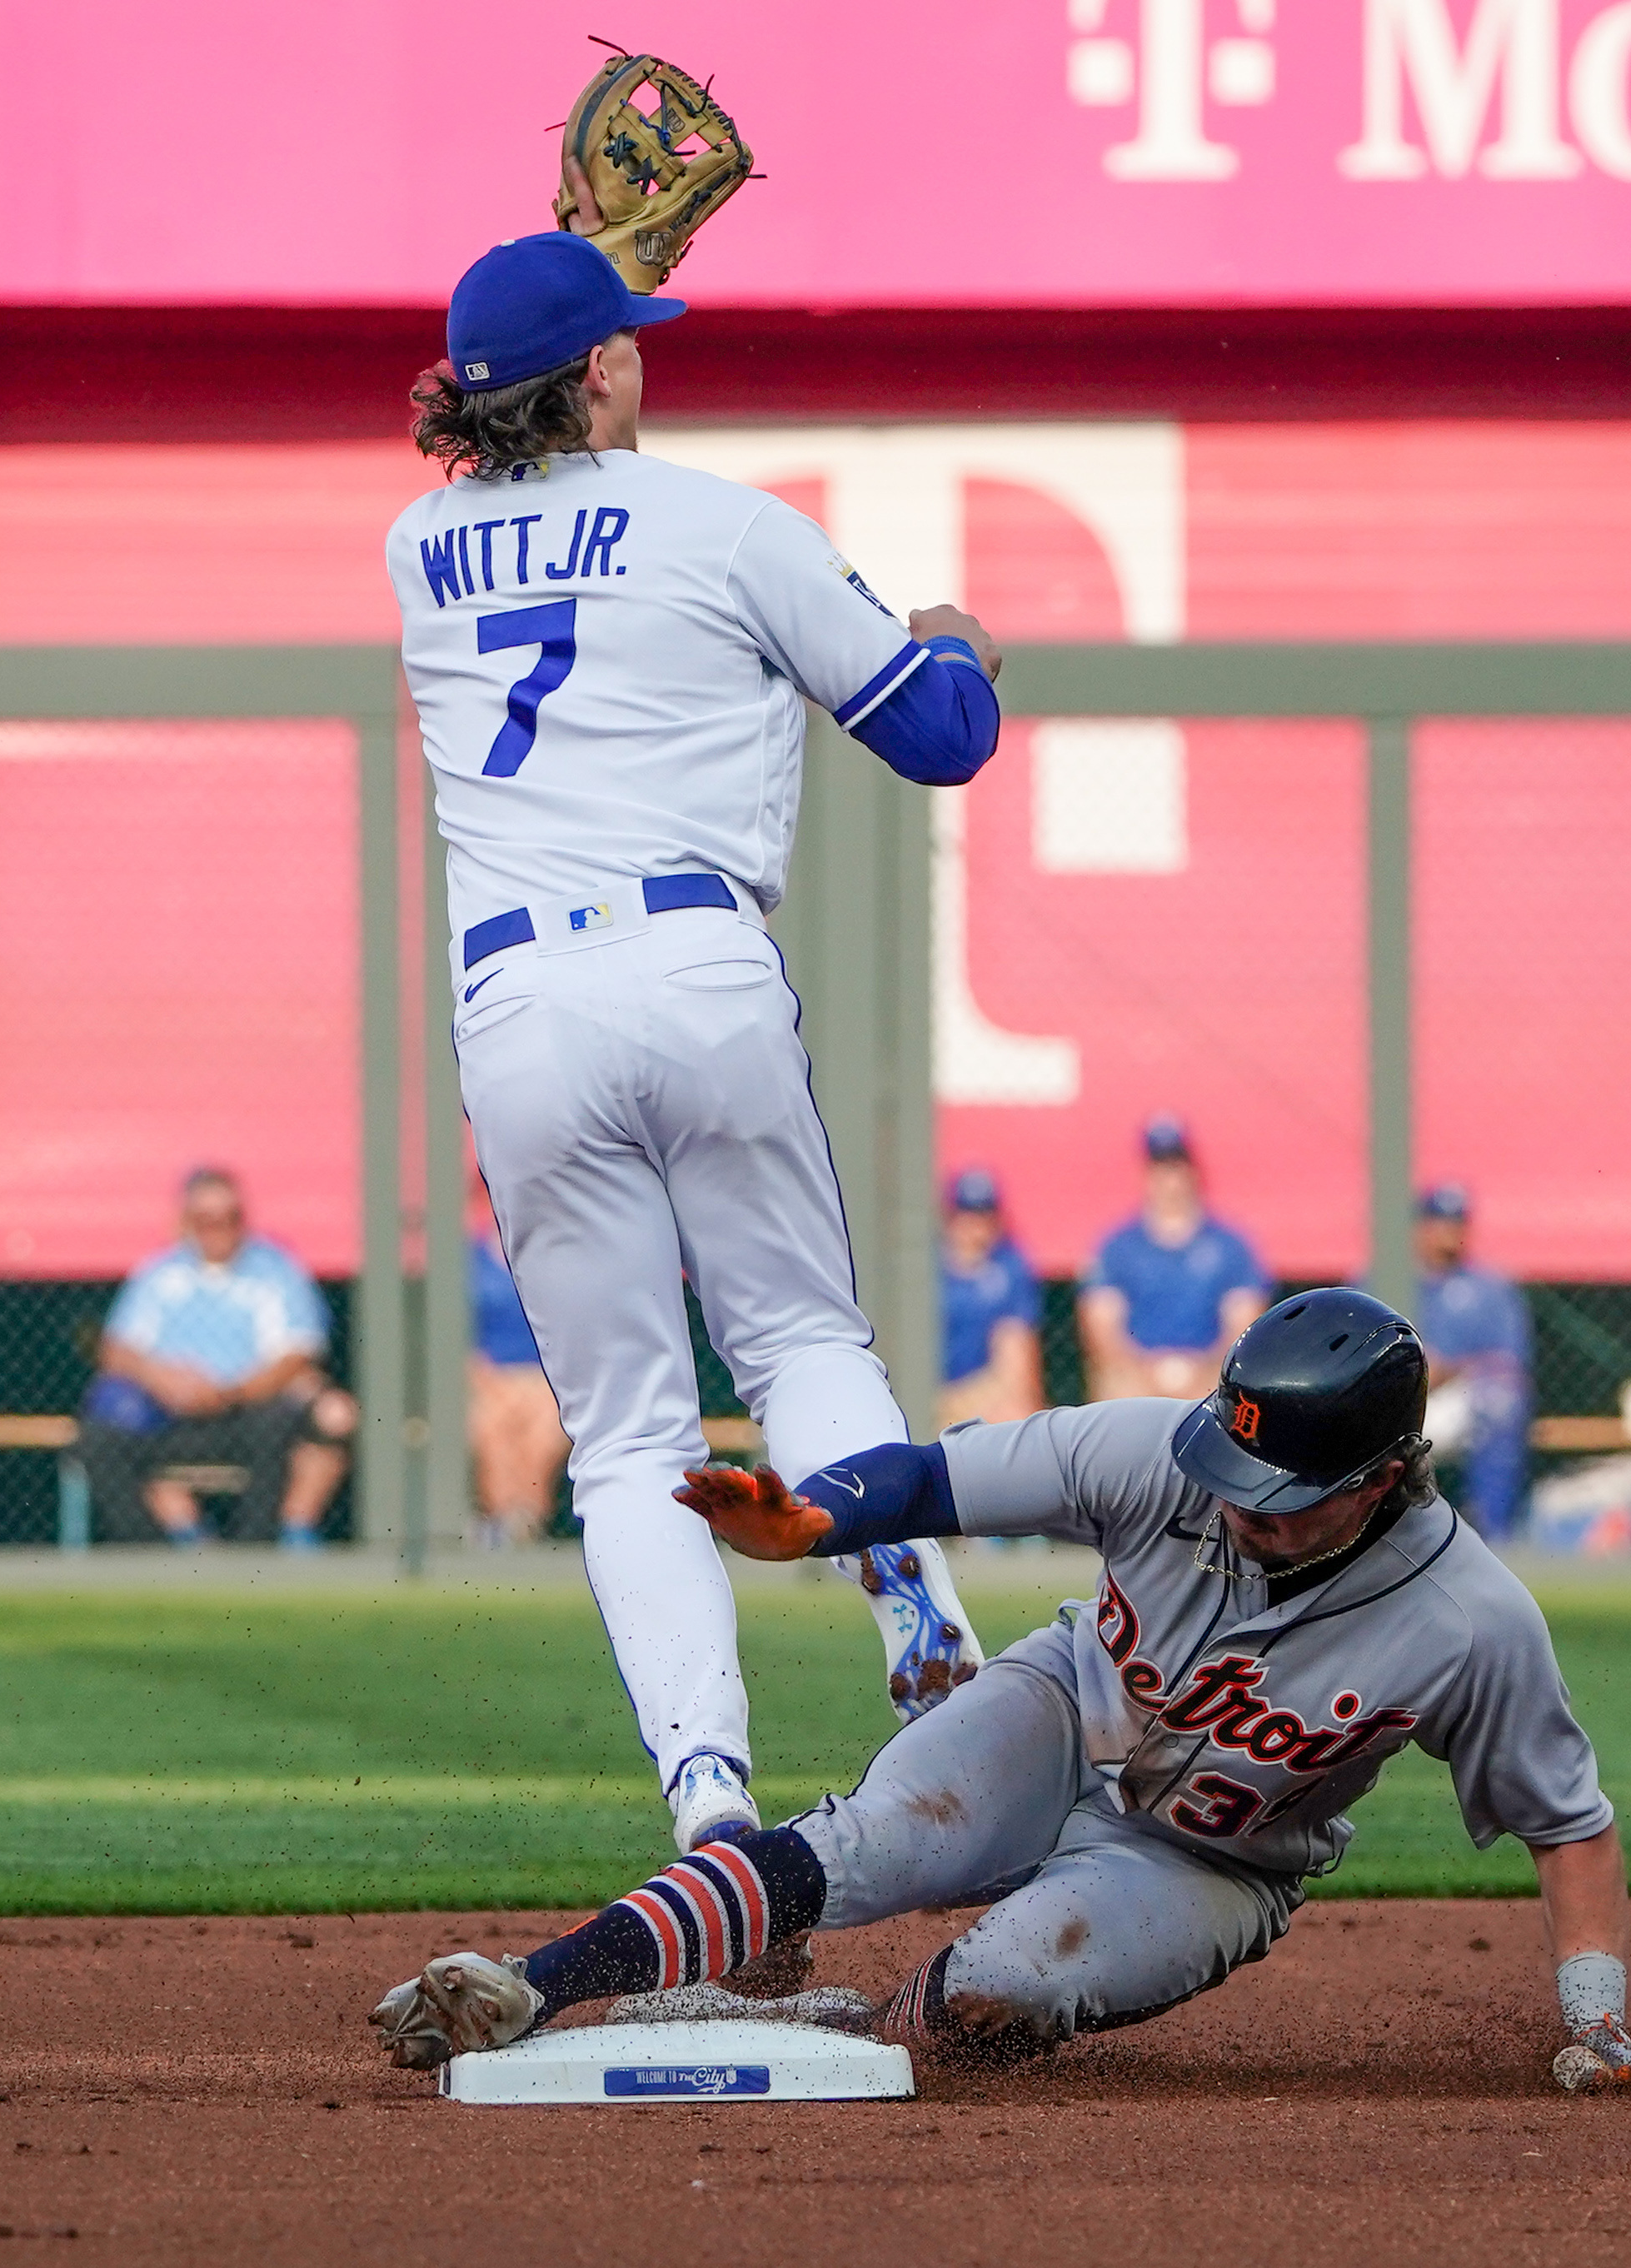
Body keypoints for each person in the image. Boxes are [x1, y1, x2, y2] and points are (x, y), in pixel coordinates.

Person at [369, 1289, 1631, 2100]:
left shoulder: (1468, 1620)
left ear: (1381, 1478)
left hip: (1211, 1858)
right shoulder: (1156, 1451)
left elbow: (1569, 1821)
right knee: (864, 1843)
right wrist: (805, 1523)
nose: (1240, 1511)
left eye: (1283, 1500)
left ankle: (806, 2013)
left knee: (983, 2003)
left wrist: (1594, 2018)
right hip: (1058, 1702)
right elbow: (928, 1478)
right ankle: (536, 1981)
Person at [390, 227, 1004, 1852]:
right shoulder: (727, 526)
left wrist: (537, 331)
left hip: (516, 1005)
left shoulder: (412, 548)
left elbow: (527, 501)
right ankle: (927, 1643)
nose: (644, 355)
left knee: (631, 1433)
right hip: (693, 962)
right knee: (801, 1343)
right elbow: (939, 735)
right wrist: (954, 640)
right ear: (598, 370)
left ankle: (709, 1796)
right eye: (628, 340)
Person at [82, 1169, 357, 1549]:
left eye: (229, 1218)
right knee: (99, 1436)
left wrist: (230, 1393)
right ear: (187, 1223)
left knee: (296, 1416)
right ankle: (147, 1553)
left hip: (247, 1411)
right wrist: (162, 1379)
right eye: (206, 1220)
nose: (219, 1229)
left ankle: (259, 1550)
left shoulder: (274, 1269)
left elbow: (299, 1353)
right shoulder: (160, 1273)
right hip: (171, 1417)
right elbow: (116, 1349)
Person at [1077, 1117, 1273, 1403]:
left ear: (1192, 1171)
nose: (1169, 1179)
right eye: (1160, 1167)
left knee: (1231, 1389)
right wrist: (1148, 1374)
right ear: (1145, 1174)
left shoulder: (1230, 1246)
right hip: (1137, 1374)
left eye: (1176, 1166)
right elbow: (1103, 1332)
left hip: (1209, 1373)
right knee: (1115, 1386)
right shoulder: (1117, 1247)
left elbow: (1243, 1329)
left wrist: (1200, 1373)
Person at [1406, 1185, 1534, 1540]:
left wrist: (1452, 1368)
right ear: (1421, 1227)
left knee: (1500, 1401)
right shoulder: (1382, 1278)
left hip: (1460, 1398)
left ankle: (1493, 1534)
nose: (1450, 1232)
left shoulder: (1490, 1288)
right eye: (1440, 1222)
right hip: (1396, 1402)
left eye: (1458, 1223)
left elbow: (1509, 1364)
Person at [467, 1224, 568, 1548]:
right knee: (491, 1429)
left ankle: (525, 1523)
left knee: (543, 1435)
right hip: (488, 1379)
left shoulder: (555, 1258)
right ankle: (500, 1522)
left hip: (547, 1380)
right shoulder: (467, 1260)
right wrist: (489, 1383)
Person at [936, 1168, 1045, 1429]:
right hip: (925, 1392)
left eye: (985, 1214)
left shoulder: (1009, 1267)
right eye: (966, 1214)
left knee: (1017, 1415)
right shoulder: (925, 1270)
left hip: (980, 1396)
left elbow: (1016, 1366)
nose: (976, 1226)